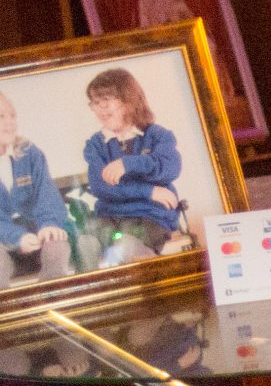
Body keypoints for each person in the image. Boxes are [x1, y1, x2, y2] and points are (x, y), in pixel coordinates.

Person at [82, 68, 186, 268]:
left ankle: (148, 269)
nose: (101, 108)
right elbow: (101, 187)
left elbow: (170, 167)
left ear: (128, 100)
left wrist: (128, 164)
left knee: (125, 246)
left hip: (150, 216)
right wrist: (149, 191)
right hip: (110, 216)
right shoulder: (95, 144)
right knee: (86, 243)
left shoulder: (157, 135)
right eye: (95, 102)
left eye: (106, 99)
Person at [0, 91, 70, 288]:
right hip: (3, 239)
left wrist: (48, 224)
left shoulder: (29, 152)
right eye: (1, 116)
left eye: (12, 115)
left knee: (57, 247)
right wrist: (17, 237)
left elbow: (46, 193)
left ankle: (50, 301)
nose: (9, 122)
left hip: (36, 233)